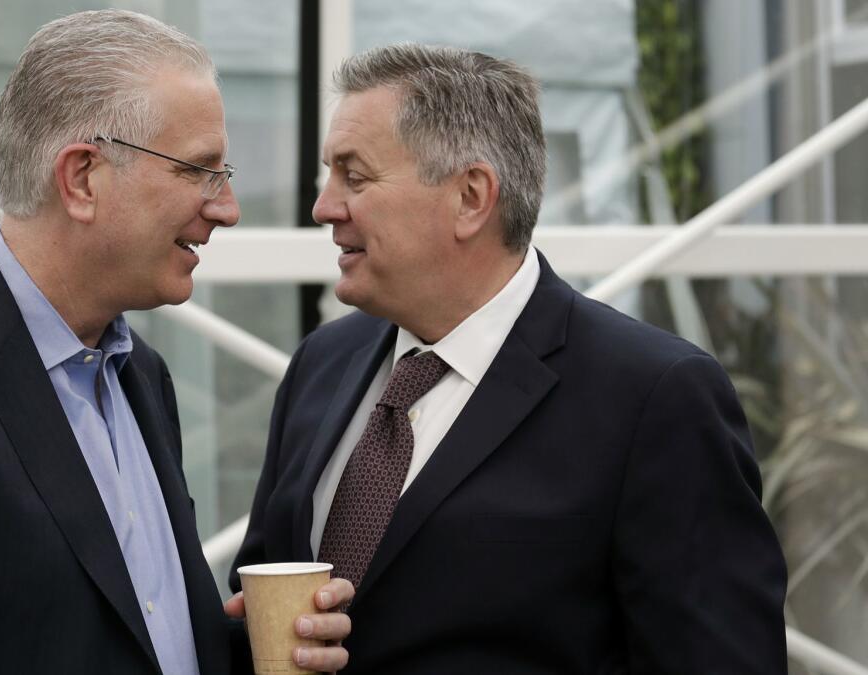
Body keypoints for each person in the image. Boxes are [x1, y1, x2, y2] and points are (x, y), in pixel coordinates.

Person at [0, 10, 350, 674]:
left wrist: (249, 650)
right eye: (199, 171)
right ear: (81, 178)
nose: (227, 207)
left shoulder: (140, 376)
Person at [232, 44, 787, 673]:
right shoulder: (322, 363)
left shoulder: (655, 397)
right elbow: (257, 595)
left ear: (471, 197)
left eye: (353, 177)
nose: (324, 208)